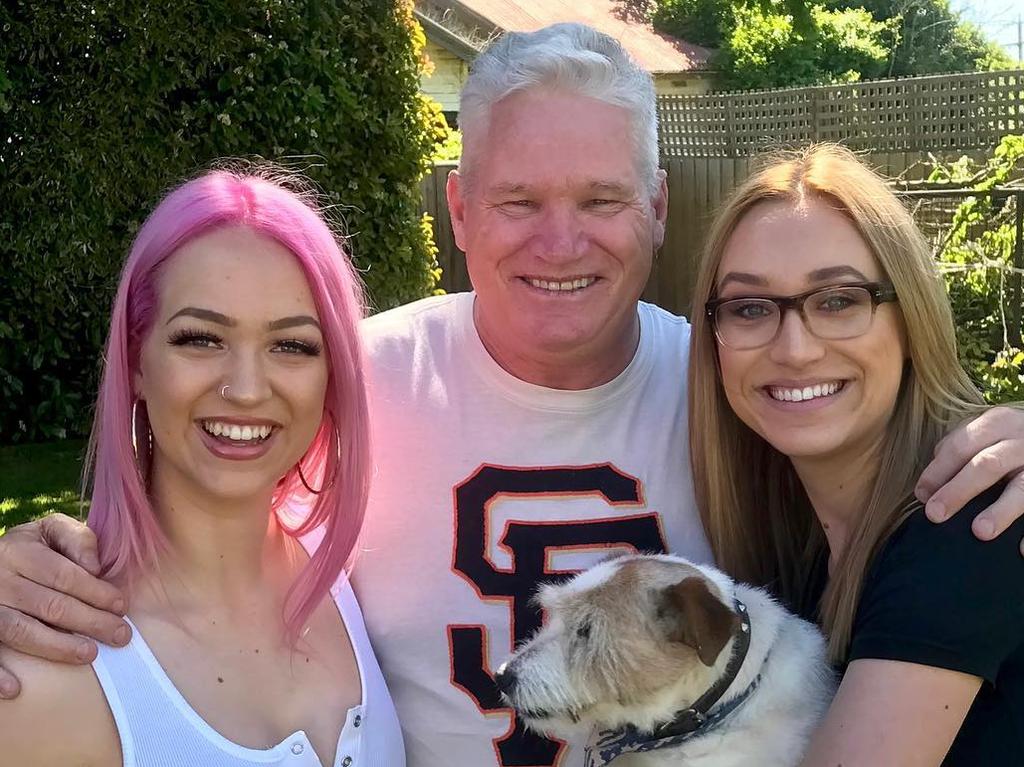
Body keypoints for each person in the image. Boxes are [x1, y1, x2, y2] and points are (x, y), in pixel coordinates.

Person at [1, 23, 1024, 767]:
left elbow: (876, 460)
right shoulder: (346, 378)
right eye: (518, 200)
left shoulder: (734, 393)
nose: (561, 241)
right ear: (456, 208)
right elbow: (201, 479)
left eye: (601, 199)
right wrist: (39, 560)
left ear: (659, 210)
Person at [0, 169, 405, 765]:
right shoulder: (48, 672)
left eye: (291, 345)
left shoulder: (368, 583)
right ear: (137, 362)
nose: (245, 390)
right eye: (200, 339)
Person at [689, 144, 1023, 765]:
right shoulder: (802, 549)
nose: (795, 349)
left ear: (911, 318)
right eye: (750, 308)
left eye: (839, 300)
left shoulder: (970, 523)